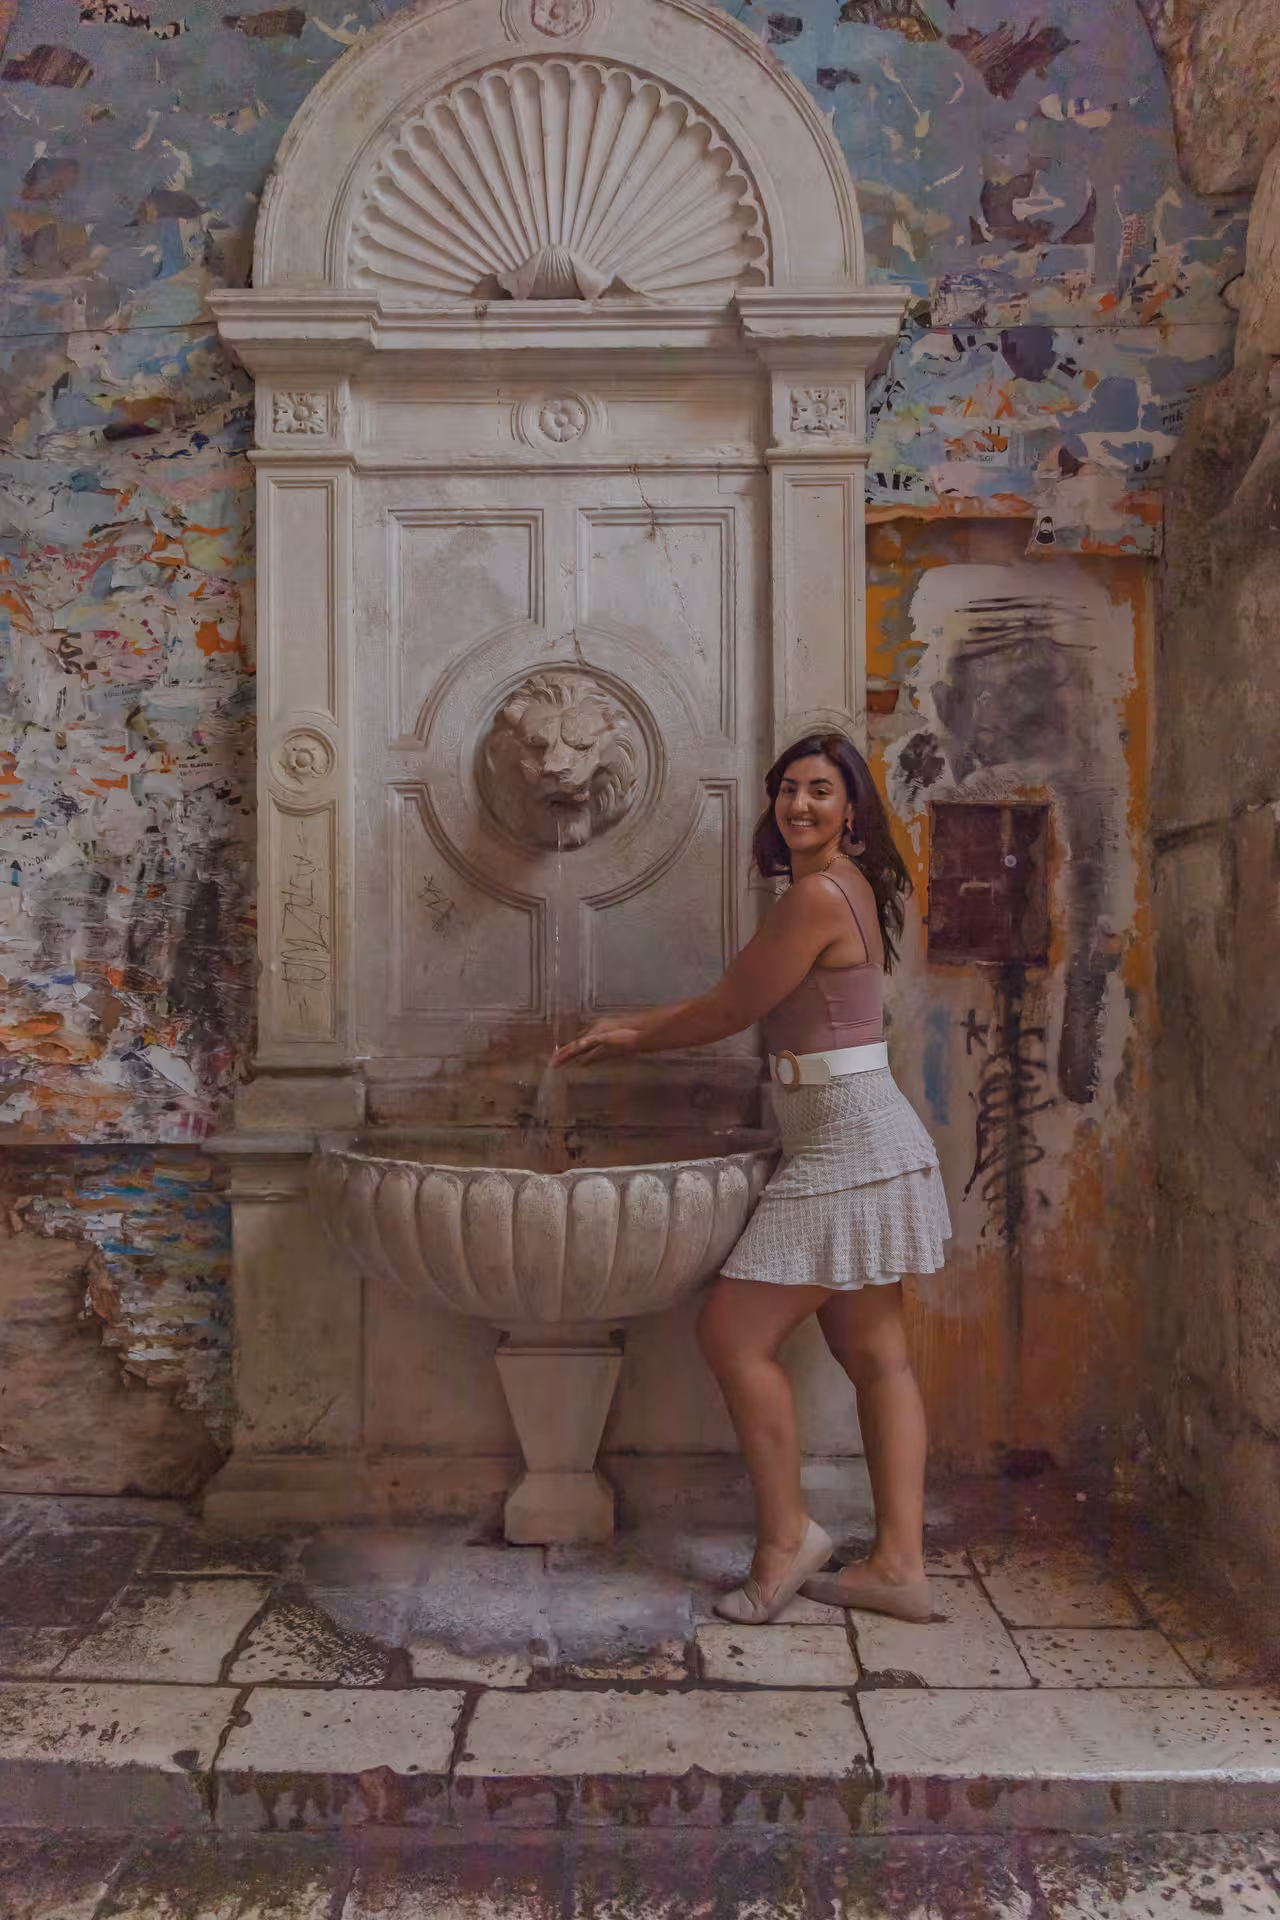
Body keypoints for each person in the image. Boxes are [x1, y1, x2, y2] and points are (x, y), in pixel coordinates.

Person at [552, 732, 951, 1626]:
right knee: (875, 1357)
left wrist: (630, 1034)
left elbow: (732, 1007)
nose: (799, 805)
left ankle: (787, 1540)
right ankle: (898, 1568)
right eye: (788, 791)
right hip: (851, 1133)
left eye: (821, 790)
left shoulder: (817, 895)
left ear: (852, 808)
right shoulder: (838, 888)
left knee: (735, 1334)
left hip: (848, 1144)